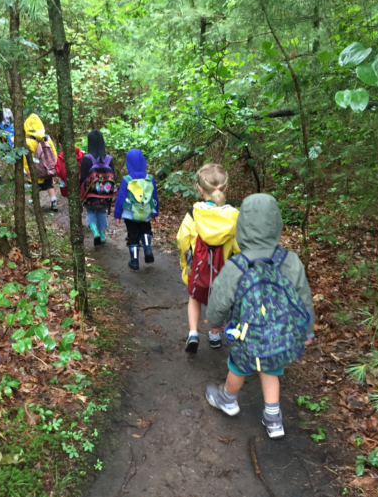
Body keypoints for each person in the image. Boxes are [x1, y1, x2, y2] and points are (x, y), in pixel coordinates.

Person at [202, 194, 313, 439]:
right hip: (278, 335)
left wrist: (216, 322)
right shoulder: (290, 260)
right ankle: (274, 420)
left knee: (238, 367)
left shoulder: (237, 265)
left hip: (245, 334)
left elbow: (220, 297)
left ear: (242, 226)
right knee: (271, 370)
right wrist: (307, 331)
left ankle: (228, 399)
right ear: (276, 225)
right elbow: (303, 297)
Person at [175, 163, 238, 354]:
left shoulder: (194, 214)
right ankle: (214, 334)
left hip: (199, 269)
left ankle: (193, 333)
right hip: (224, 273)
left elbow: (182, 240)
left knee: (194, 298)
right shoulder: (234, 216)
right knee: (220, 303)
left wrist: (185, 264)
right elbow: (239, 246)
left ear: (200, 188)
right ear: (225, 188)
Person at [112, 149, 160, 270]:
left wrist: (117, 215)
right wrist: (156, 213)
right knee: (145, 230)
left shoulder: (127, 180)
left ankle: (134, 261)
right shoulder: (150, 178)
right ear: (144, 162)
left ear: (128, 163)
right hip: (146, 212)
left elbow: (120, 199)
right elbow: (154, 197)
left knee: (132, 236)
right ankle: (147, 248)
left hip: (130, 214)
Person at [79, 130, 119, 246]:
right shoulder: (109, 159)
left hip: (90, 194)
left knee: (90, 211)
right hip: (105, 194)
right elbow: (113, 177)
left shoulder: (86, 159)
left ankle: (94, 231)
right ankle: (102, 235)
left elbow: (83, 179)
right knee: (101, 212)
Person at [23, 114, 63, 212]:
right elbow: (53, 152)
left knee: (35, 186)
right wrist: (55, 165)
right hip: (47, 168)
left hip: (34, 169)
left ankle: (34, 202)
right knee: (49, 185)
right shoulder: (46, 138)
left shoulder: (27, 141)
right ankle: (54, 201)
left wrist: (26, 169)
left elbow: (25, 157)